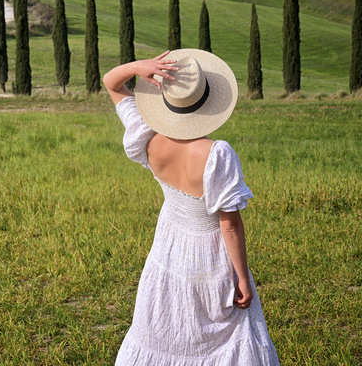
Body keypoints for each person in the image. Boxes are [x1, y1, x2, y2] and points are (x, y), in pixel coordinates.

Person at [104, 49, 279, 366]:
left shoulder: (147, 135)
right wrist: (242, 278)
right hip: (211, 256)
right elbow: (229, 225)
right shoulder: (217, 154)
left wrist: (139, 67)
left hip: (169, 247)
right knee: (230, 335)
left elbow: (112, 83)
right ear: (209, 103)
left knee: (169, 327)